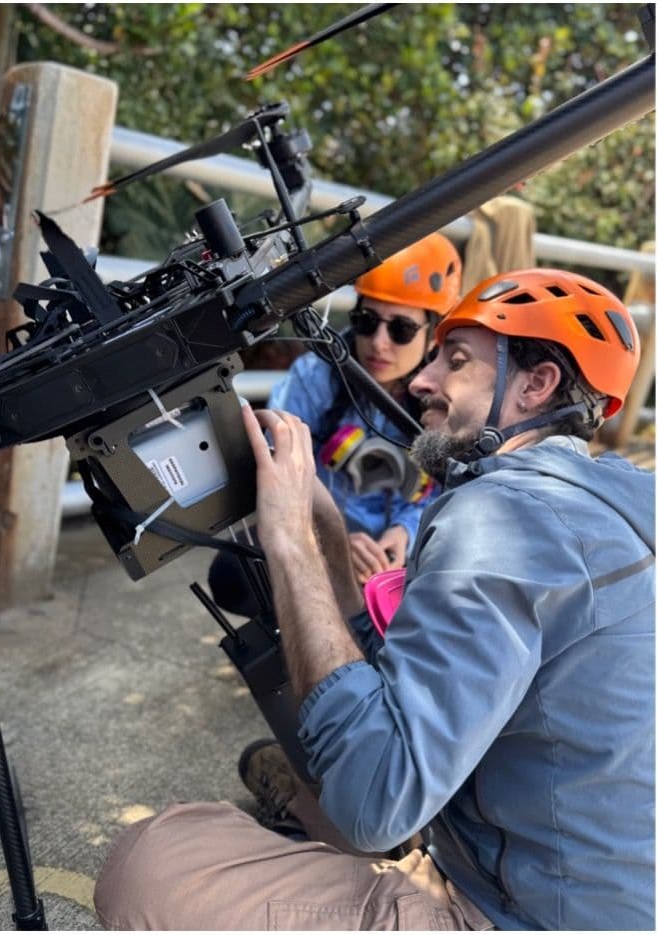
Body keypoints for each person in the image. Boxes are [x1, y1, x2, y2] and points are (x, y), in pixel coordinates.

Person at [94, 268, 654, 931]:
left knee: (150, 861)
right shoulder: (619, 501)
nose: (421, 379)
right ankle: (320, 820)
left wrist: (290, 545)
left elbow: (375, 800)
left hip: (515, 912)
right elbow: (436, 684)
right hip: (591, 880)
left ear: (535, 385)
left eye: (455, 360)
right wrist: (329, 536)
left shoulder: (503, 521)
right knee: (322, 789)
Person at [208, 231, 462, 616]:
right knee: (232, 576)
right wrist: (333, 538)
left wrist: (406, 534)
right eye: (366, 321)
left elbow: (440, 492)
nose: (378, 343)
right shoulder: (317, 375)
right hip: (316, 538)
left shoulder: (445, 401)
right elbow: (276, 464)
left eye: (401, 330)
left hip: (392, 561)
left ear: (432, 337)